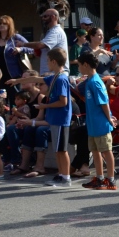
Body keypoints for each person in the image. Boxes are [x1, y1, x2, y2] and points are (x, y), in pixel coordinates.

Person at [79, 51, 118, 190]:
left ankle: (111, 180)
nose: (78, 68)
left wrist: (109, 119)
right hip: (92, 124)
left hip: (101, 124)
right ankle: (100, 179)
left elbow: (104, 103)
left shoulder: (96, 82)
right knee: (95, 152)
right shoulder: (89, 81)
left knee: (106, 151)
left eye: (79, 65)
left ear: (85, 65)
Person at [39, 48, 73, 188]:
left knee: (61, 150)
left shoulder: (61, 79)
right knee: (58, 150)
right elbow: (37, 78)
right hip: (56, 119)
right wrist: (18, 80)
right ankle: (61, 175)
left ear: (54, 61)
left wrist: (44, 107)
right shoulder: (55, 77)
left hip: (61, 119)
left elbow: (63, 101)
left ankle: (66, 177)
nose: (47, 63)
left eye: (48, 60)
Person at [0, 15, 32, 92]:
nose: (1, 25)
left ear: (10, 25)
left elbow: (31, 48)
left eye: (4, 24)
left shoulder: (15, 37)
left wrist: (20, 49)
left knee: (15, 97)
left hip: (13, 74)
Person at [26, 8, 69, 75]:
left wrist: (22, 44)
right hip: (49, 74)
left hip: (55, 74)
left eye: (45, 16)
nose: (43, 19)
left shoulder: (56, 31)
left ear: (53, 17)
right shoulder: (50, 32)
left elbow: (40, 45)